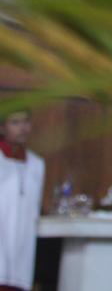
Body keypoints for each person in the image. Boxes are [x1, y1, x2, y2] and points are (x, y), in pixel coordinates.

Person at [0, 109, 44, 291]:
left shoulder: (36, 163)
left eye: (26, 122)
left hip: (22, 244)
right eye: (15, 123)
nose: (23, 128)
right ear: (2, 128)